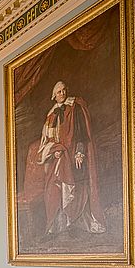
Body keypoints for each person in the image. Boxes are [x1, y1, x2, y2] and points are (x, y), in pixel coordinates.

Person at [24, 81, 105, 236]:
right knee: (55, 190)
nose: (62, 93)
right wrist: (52, 151)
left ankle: (79, 224)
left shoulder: (75, 107)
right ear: (54, 96)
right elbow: (46, 139)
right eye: (59, 91)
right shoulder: (51, 114)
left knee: (77, 189)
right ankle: (60, 226)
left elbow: (81, 132)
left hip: (74, 155)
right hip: (56, 157)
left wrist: (79, 152)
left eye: (63, 90)